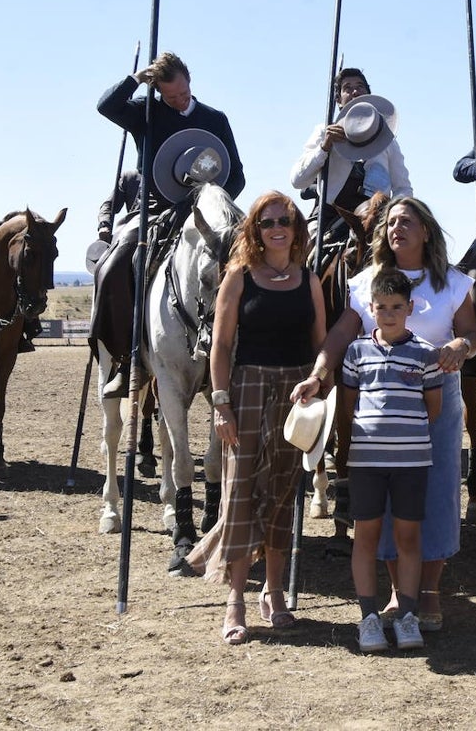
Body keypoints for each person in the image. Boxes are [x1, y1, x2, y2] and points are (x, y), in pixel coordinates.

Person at [292, 196, 476, 631]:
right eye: (391, 222)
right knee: (393, 500)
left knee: (434, 495)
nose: (397, 228)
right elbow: (343, 332)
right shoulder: (366, 282)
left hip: (436, 400)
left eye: (407, 221)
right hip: (381, 404)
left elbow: (473, 333)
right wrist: (320, 373)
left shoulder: (452, 283)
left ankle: (429, 590)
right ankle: (400, 592)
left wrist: (460, 346)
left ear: (426, 230)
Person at [184, 191, 326, 645]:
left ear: (296, 227)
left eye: (284, 220)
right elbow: (222, 346)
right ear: (255, 230)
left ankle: (276, 593)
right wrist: (220, 403)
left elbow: (321, 342)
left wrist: (319, 383)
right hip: (246, 389)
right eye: (267, 222)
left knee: (284, 491)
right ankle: (236, 601)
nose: (277, 227)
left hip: (298, 390)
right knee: (241, 490)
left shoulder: (310, 280)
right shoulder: (238, 277)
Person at [94, 51, 245, 397]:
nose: (178, 101)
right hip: (154, 211)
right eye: (170, 96)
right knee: (116, 263)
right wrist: (135, 80)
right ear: (158, 90)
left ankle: (244, 349)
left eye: (183, 94)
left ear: (191, 82)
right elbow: (106, 106)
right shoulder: (146, 113)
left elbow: (236, 174)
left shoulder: (215, 119)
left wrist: (213, 197)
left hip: (206, 212)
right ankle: (129, 357)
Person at [341, 269, 444, 652]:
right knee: (365, 537)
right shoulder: (356, 352)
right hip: (366, 461)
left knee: (408, 537)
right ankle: (369, 617)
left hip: (412, 461)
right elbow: (349, 405)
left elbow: (433, 408)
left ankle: (407, 616)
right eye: (381, 307)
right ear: (370, 309)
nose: (388, 314)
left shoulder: (424, 354)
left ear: (410, 308)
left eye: (397, 307)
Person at [289, 67, 413, 224]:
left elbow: (403, 188)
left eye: (360, 87)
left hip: (376, 219)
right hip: (329, 217)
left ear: (368, 95)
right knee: (309, 246)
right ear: (338, 101)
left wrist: (396, 217)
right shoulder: (324, 131)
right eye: (347, 88)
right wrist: (324, 148)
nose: (355, 92)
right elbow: (297, 180)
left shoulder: (388, 141)